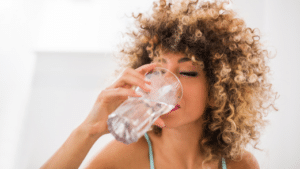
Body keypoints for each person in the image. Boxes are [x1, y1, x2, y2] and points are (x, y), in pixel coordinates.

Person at [41, 0, 277, 168]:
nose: (165, 85)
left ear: (218, 91)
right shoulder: (123, 158)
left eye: (186, 72)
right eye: (159, 69)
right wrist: (88, 131)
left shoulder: (240, 164)